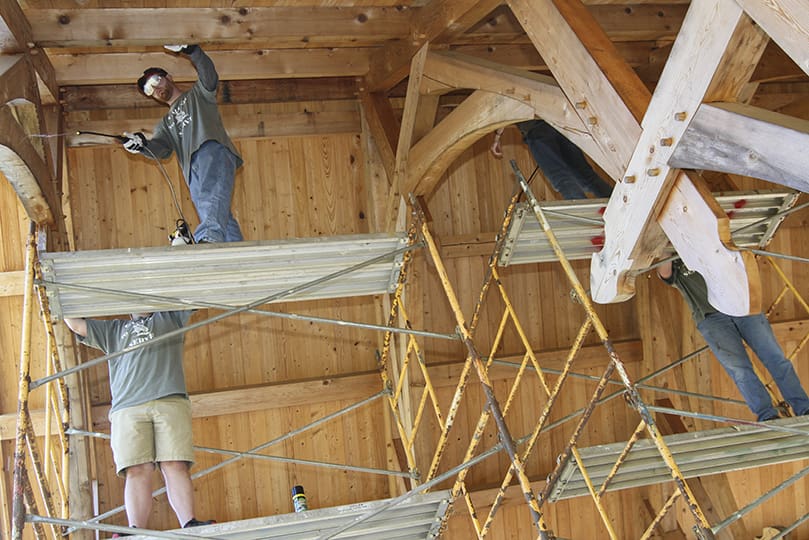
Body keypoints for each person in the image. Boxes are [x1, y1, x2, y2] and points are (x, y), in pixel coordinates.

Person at [64, 312, 213, 534]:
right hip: (128, 407)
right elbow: (75, 323)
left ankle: (189, 523)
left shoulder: (170, 316)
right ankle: (135, 529)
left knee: (175, 463)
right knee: (136, 469)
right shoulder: (112, 329)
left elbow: (193, 293)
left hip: (169, 399)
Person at [658, 259, 809, 421]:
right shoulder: (676, 263)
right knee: (740, 370)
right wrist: (665, 243)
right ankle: (767, 416)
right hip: (712, 318)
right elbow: (664, 271)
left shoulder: (709, 245)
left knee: (776, 359)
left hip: (742, 306)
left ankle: (804, 408)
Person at [122, 44, 243, 244]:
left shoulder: (197, 96)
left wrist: (192, 50)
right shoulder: (164, 124)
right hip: (191, 171)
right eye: (149, 90)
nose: (155, 89)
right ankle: (238, 253)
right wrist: (141, 145)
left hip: (211, 150)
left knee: (209, 200)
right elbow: (161, 150)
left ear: (168, 77)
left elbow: (209, 77)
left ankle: (207, 240)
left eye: (155, 81)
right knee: (214, 210)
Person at [491, 119, 613, 200]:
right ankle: (619, 206)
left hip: (536, 130)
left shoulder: (507, 82)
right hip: (562, 124)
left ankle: (587, 220)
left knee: (562, 178)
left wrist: (497, 138)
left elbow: (505, 113)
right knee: (586, 175)